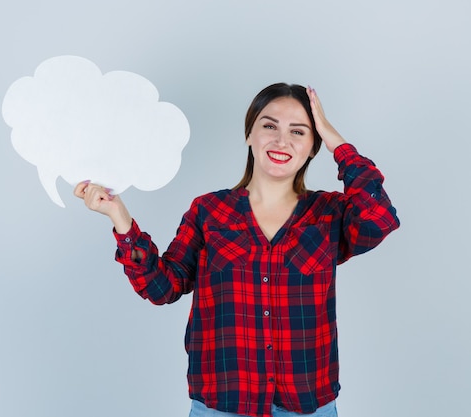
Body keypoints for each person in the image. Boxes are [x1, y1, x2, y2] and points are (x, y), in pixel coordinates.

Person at [74, 83, 400, 417]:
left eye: (299, 132)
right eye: (269, 125)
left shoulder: (329, 213)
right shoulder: (209, 211)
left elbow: (379, 219)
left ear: (313, 146)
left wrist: (336, 141)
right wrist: (120, 218)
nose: (281, 141)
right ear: (249, 134)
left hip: (308, 407)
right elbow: (162, 287)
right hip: (223, 405)